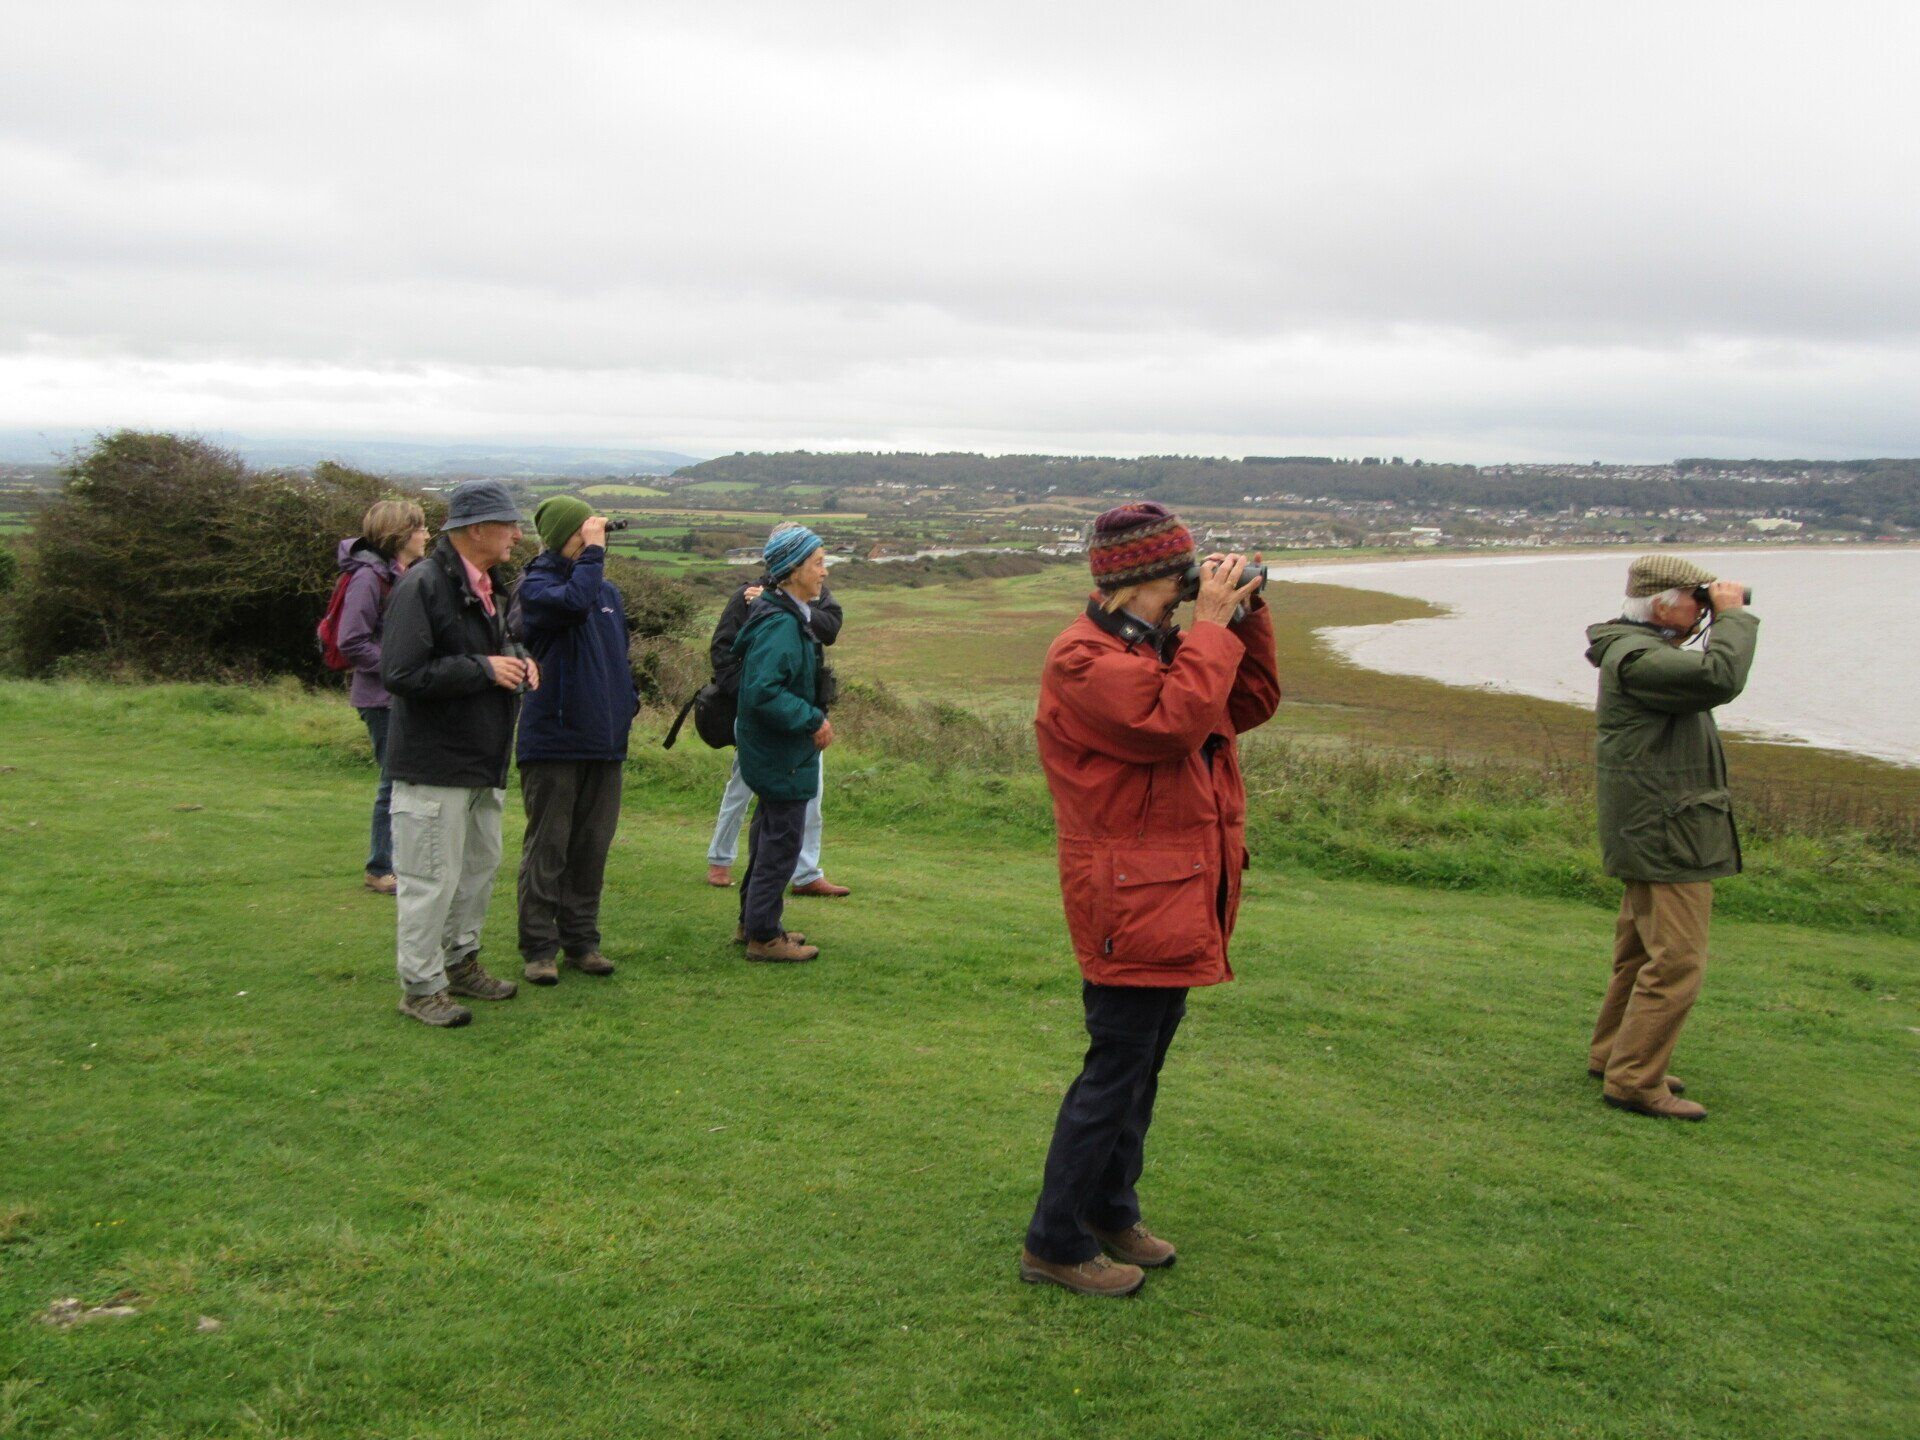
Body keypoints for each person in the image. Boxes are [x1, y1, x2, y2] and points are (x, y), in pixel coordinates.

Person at [1021, 501, 1280, 1297]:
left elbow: (1249, 702)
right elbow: (1170, 722)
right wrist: (1208, 623)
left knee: (1143, 1068)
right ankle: (1053, 1241)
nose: (1186, 590)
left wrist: (1245, 616)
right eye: (1178, 579)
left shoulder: (1161, 644)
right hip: (1130, 898)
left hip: (1172, 893)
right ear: (1136, 581)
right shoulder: (1082, 660)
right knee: (1115, 1070)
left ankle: (1109, 1207)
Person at [1584, 555, 1757, 1121]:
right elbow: (1719, 678)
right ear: (1662, 603)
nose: (1704, 605)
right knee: (1677, 960)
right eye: (1696, 597)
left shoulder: (1640, 652)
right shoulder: (1641, 659)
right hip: (1666, 832)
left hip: (1653, 825)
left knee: (1638, 953)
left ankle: (1615, 1054)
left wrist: (1711, 613)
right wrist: (1731, 617)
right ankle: (1634, 1080)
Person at [380, 479, 539, 1029]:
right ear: (476, 530)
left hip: (481, 759)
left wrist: (518, 659)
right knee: (429, 879)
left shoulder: (486, 583)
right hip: (433, 764)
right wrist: (484, 669)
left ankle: (460, 961)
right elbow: (400, 673)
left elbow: (496, 645)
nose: (518, 534)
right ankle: (421, 988)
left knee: (476, 870)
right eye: (509, 524)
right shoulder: (423, 586)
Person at [512, 496, 638, 986]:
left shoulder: (606, 592)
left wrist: (627, 700)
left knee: (592, 846)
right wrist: (592, 553)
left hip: (603, 742)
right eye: (584, 530)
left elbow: (617, 653)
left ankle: (581, 941)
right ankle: (539, 948)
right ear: (569, 534)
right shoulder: (537, 586)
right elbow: (572, 604)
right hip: (554, 741)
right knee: (549, 847)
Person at [704, 523, 848, 897]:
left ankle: (806, 874)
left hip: (797, 716)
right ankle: (720, 860)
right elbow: (723, 653)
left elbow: (831, 625)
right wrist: (749, 703)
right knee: (742, 787)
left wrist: (797, 611)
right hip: (760, 716)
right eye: (816, 561)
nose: (823, 570)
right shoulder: (748, 597)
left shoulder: (806, 596)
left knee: (808, 796)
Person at [729, 525, 836, 963]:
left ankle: (754, 922)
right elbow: (763, 692)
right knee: (781, 842)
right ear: (792, 572)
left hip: (776, 750)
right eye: (817, 563)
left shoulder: (783, 615)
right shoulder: (781, 626)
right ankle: (763, 936)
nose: (824, 572)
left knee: (769, 835)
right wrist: (812, 718)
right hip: (782, 751)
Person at [335, 499, 429, 895]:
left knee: (406, 779)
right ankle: (379, 867)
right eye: (420, 528)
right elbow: (351, 640)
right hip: (380, 697)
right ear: (400, 534)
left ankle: (398, 861)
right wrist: (397, 667)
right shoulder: (369, 578)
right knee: (394, 782)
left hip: (398, 694)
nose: (427, 534)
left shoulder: (399, 573)